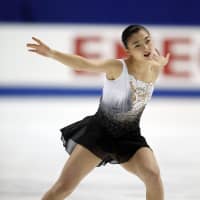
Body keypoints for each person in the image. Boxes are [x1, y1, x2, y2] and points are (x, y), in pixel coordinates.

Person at [26, 24, 170, 200]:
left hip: (130, 137)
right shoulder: (117, 67)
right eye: (137, 45)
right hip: (100, 134)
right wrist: (52, 53)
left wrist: (161, 63)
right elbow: (84, 64)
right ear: (128, 50)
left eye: (147, 41)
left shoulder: (154, 68)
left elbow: (157, 66)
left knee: (153, 176)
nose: (145, 47)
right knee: (63, 188)